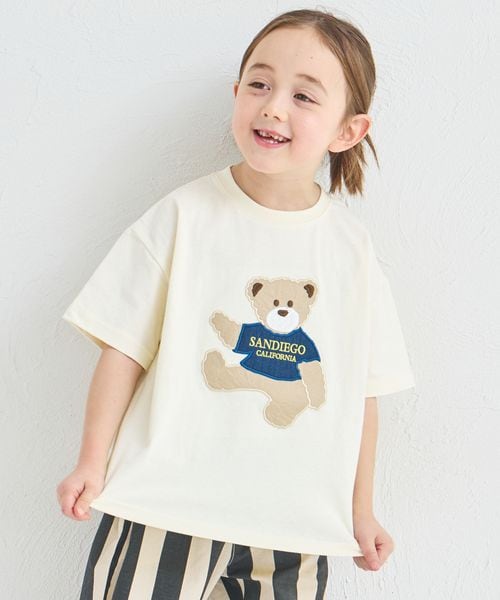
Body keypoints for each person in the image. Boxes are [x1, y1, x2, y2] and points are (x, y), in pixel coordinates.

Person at [56, 7, 416, 599]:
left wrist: (360, 510)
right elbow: (122, 347)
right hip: (165, 504)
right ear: (237, 94)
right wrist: (92, 463)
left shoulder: (351, 251)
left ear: (347, 131)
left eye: (304, 96)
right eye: (259, 84)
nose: (273, 107)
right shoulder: (185, 216)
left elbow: (362, 392)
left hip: (296, 526)